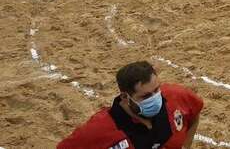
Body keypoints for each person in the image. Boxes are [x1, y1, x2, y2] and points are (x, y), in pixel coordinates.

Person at [57, 61, 202, 149]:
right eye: (146, 96)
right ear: (125, 97)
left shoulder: (175, 96)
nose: (156, 98)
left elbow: (194, 113)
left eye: (157, 89)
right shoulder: (99, 129)